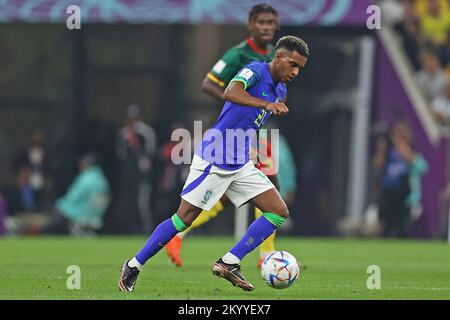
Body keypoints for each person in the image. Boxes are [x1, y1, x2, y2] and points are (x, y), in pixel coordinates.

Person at [118, 35, 309, 292]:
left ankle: (229, 262)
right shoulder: (255, 71)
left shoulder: (281, 91)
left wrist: (256, 155)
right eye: (293, 64)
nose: (295, 72)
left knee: (278, 211)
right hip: (215, 158)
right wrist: (265, 103)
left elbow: (251, 123)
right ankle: (133, 266)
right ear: (278, 57)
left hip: (240, 161)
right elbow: (231, 92)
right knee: (183, 219)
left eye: (300, 68)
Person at [165, 3, 282, 268]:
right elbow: (208, 83)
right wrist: (242, 104)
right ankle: (265, 255)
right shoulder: (237, 54)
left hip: (256, 132)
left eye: (270, 23)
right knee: (269, 186)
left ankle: (181, 234)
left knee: (254, 189)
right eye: (261, 22)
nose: (266, 27)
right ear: (251, 24)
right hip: (233, 135)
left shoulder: (277, 55)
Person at [28, 154, 110, 235]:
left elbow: (73, 198)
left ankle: (29, 231)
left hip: (77, 214)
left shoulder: (86, 178)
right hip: (95, 217)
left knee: (49, 222)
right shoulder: (102, 180)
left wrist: (59, 205)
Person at [373, 121, 429, 238]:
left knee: (402, 227)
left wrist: (405, 150)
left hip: (405, 196)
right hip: (389, 194)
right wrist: (381, 149)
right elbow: (377, 165)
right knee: (387, 226)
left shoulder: (411, 152)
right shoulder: (390, 152)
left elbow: (423, 167)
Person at [115, 104, 157, 233]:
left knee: (142, 202)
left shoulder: (146, 131)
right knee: (128, 201)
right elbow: (120, 153)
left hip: (142, 175)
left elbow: (151, 150)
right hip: (128, 173)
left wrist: (145, 161)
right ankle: (130, 228)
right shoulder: (123, 133)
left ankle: (146, 228)